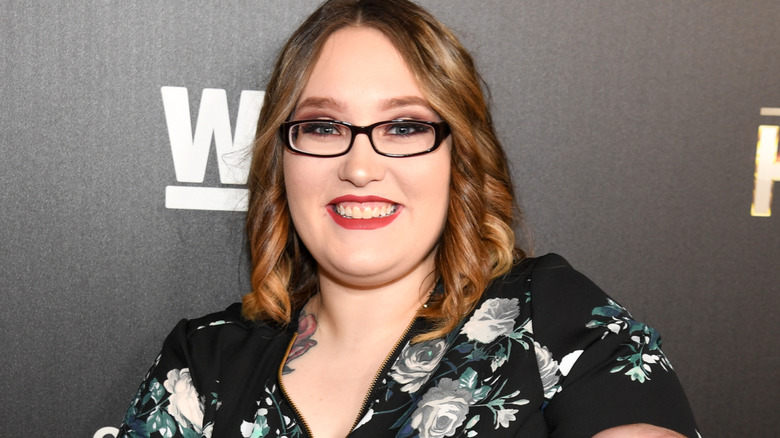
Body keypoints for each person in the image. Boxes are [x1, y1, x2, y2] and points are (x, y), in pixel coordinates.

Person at [118, 1, 700, 437]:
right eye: (322, 126)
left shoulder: (554, 322)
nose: (361, 166)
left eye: (405, 127)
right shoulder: (205, 361)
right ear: (282, 161)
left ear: (461, 158)